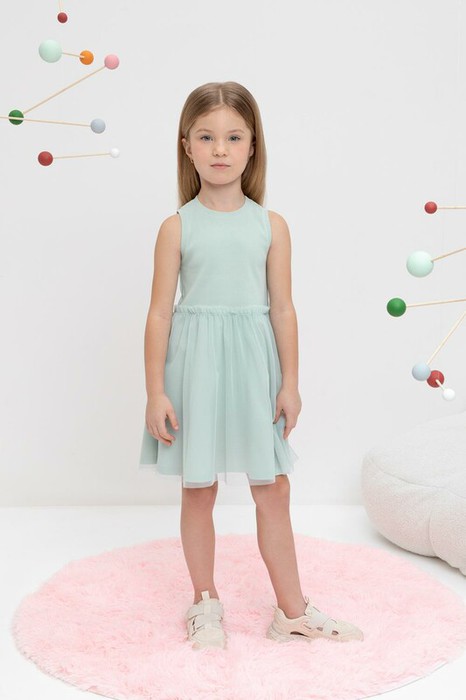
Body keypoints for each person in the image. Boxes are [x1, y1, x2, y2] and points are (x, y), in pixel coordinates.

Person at [138, 81, 364, 650]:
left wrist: (291, 383)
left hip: (253, 368)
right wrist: (155, 391)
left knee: (274, 488)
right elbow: (160, 313)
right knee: (199, 489)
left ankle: (292, 611)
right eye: (206, 137)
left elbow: (282, 309)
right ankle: (205, 601)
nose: (220, 149)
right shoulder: (177, 227)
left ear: (253, 145)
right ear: (186, 146)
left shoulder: (271, 225)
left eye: (234, 137)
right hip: (195, 368)